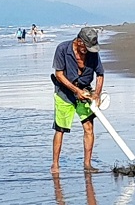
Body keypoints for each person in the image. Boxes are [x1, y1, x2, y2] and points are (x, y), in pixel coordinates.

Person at [50, 27, 105, 174]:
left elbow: (100, 74)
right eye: (86, 47)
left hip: (86, 91)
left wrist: (97, 94)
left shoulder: (93, 53)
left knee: (89, 128)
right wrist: (76, 91)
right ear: (79, 41)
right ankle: (55, 164)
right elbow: (59, 75)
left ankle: (87, 164)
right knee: (60, 129)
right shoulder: (62, 49)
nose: (88, 50)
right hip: (65, 93)